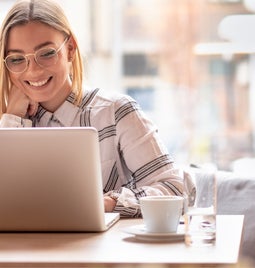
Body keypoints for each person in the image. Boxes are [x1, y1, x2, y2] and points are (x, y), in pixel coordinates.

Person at [0, 0, 193, 217]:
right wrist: (12, 120)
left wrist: (107, 203)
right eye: (17, 59)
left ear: (70, 49)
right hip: (25, 250)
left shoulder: (116, 112)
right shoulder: (9, 121)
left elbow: (176, 190)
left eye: (46, 53)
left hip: (103, 250)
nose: (33, 71)